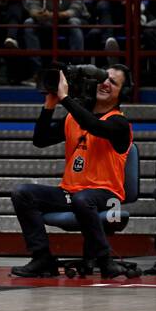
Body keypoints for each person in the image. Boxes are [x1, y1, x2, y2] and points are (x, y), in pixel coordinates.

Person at [10, 67, 133, 278]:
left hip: (106, 194)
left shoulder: (119, 123)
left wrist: (65, 98)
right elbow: (40, 140)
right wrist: (49, 105)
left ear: (122, 92)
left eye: (113, 82)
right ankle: (42, 258)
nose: (105, 84)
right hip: (71, 192)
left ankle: (105, 261)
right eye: (103, 79)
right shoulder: (74, 118)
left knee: (83, 200)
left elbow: (93, 125)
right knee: (22, 193)